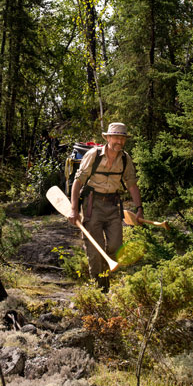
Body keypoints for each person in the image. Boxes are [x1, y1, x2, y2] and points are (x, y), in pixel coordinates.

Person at [69, 122, 143, 289]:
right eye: (116, 137)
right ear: (108, 138)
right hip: (92, 206)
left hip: (113, 207)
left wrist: (139, 209)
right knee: (94, 249)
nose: (119, 141)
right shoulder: (93, 155)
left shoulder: (125, 158)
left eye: (122, 138)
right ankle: (100, 287)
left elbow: (132, 184)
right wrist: (74, 210)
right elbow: (78, 182)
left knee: (116, 246)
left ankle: (105, 275)